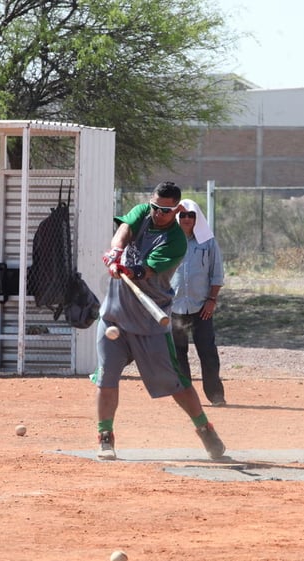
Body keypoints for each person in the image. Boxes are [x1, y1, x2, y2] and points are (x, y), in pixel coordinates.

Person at [92, 181, 226, 460]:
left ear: (176, 210)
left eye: (165, 211)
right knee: (106, 377)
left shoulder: (176, 241)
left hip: (150, 322)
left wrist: (124, 269)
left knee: (174, 383)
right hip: (114, 315)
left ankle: (204, 428)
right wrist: (116, 252)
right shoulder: (142, 213)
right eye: (155, 207)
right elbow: (124, 230)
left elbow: (146, 271)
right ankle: (105, 436)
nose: (158, 214)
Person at [170, 199, 227, 406]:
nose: (186, 219)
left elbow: (217, 274)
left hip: (201, 307)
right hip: (174, 307)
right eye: (183, 215)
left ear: (197, 218)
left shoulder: (208, 242)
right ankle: (185, 396)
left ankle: (216, 395)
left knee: (208, 352)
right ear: (177, 217)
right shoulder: (169, 241)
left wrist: (212, 299)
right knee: (178, 353)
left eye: (190, 216)